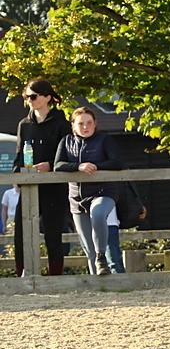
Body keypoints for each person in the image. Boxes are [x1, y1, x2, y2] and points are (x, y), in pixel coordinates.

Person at [54, 106, 124, 275]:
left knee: (98, 213)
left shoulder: (104, 140)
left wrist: (94, 167)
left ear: (95, 124)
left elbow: (117, 163)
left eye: (89, 123)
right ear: (73, 125)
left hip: (103, 191)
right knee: (88, 247)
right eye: (81, 124)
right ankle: (97, 287)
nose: (85, 127)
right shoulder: (66, 141)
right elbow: (58, 165)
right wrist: (78, 166)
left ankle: (102, 256)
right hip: (77, 197)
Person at [13, 78, 72, 275]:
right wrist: (17, 176)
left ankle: (55, 274)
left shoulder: (62, 124)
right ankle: (22, 273)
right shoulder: (24, 124)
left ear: (47, 97)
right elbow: (19, 154)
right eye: (26, 96)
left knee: (52, 232)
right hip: (29, 183)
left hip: (53, 186)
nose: (29, 100)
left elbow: (66, 156)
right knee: (21, 231)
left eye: (33, 96)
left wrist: (51, 166)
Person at [1, 185, 17, 258]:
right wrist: (4, 225)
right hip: (11, 220)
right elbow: (4, 209)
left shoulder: (25, 192)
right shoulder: (8, 193)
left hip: (23, 219)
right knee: (10, 243)